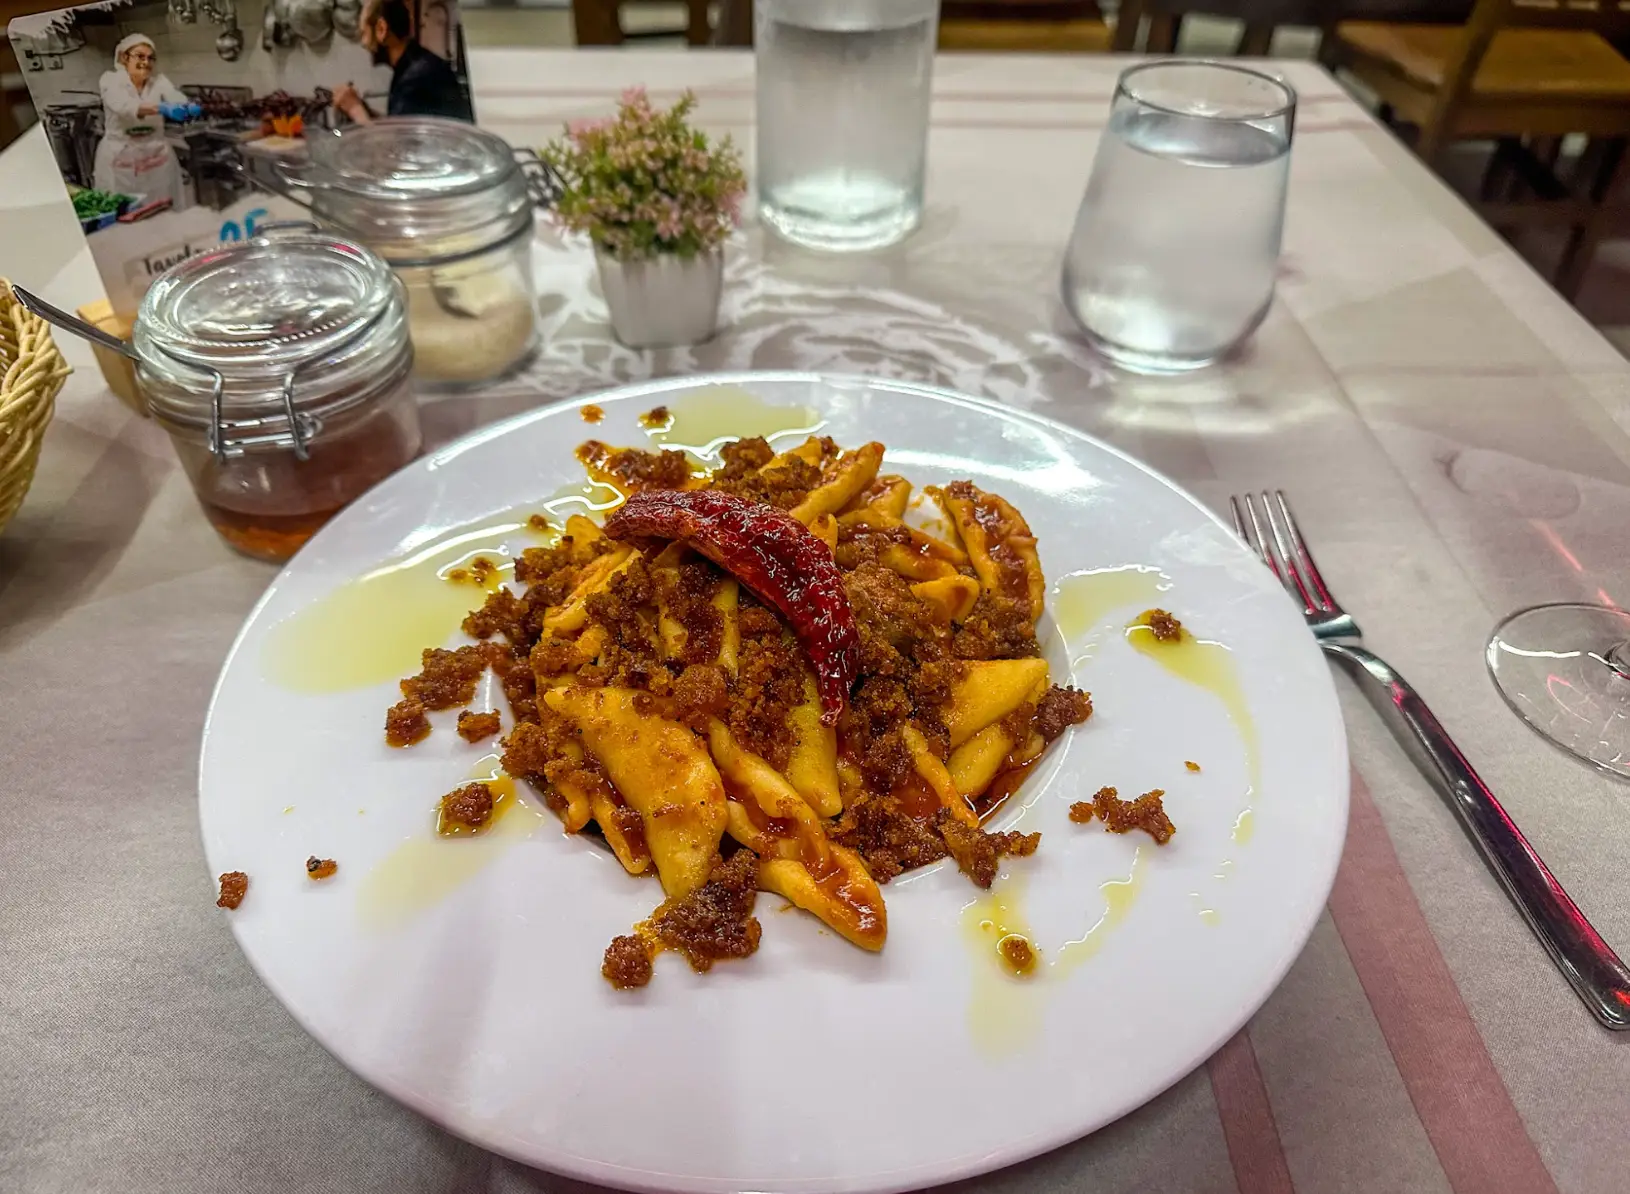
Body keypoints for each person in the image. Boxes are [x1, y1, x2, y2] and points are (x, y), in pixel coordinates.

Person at [331, 0, 473, 125]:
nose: (364, 43)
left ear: (381, 29)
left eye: (364, 34)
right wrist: (363, 108)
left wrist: (355, 109)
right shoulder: (413, 67)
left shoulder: (416, 78)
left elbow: (396, 148)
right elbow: (399, 126)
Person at [93, 34, 188, 210]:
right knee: (126, 211)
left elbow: (176, 97)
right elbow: (123, 106)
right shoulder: (111, 81)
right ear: (124, 58)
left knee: (164, 208)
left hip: (156, 156)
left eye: (151, 58)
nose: (146, 62)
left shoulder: (159, 81)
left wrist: (184, 106)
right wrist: (162, 109)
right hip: (121, 158)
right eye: (140, 56)